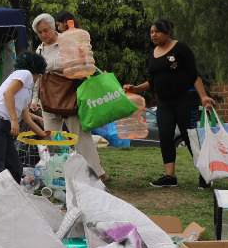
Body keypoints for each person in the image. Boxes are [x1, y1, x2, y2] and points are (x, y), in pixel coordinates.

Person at [124, 19, 215, 188]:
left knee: (190, 137)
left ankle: (204, 175)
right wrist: (136, 88)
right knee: (165, 136)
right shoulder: (152, 53)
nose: (153, 35)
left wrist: (203, 97)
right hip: (164, 102)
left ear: (168, 32)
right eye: (151, 32)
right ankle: (170, 177)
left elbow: (194, 75)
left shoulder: (181, 48)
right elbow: (154, 80)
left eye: (157, 31)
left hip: (185, 100)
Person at [32, 13, 107, 182]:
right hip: (47, 97)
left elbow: (80, 65)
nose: (43, 35)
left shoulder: (67, 41)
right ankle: (61, 172)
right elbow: (37, 77)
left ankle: (96, 174)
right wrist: (35, 99)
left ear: (54, 27)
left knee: (81, 136)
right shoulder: (39, 49)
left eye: (46, 30)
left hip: (69, 94)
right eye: (39, 32)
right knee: (52, 137)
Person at [0, 53, 48, 182]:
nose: (38, 79)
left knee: (15, 168)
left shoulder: (27, 91)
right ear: (36, 70)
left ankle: (9, 193)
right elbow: (8, 93)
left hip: (2, 124)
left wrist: (44, 135)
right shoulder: (25, 73)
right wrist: (14, 120)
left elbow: (27, 119)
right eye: (39, 75)